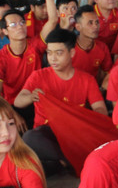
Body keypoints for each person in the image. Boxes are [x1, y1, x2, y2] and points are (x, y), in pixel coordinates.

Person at [17, 27, 106, 174]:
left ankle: (61, 163)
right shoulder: (38, 76)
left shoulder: (87, 79)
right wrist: (31, 96)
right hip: (48, 134)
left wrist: (91, 122)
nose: (53, 58)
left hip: (75, 133)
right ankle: (68, 160)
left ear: (72, 53)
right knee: (29, 138)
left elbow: (100, 109)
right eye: (49, 53)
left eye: (58, 53)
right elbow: (18, 101)